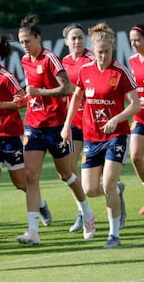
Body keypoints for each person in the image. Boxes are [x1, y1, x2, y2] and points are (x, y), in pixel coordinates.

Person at [15, 15, 95, 245]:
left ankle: (87, 213)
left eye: (28, 40)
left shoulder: (50, 58)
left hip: (56, 126)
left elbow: (67, 89)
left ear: (38, 38)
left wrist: (40, 92)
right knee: (30, 176)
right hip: (33, 126)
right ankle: (32, 231)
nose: (25, 45)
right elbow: (31, 89)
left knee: (66, 174)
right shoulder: (25, 60)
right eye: (21, 42)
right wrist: (24, 94)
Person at [61, 22, 140, 248]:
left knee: (107, 184)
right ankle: (117, 191)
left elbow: (135, 105)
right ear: (93, 51)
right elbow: (76, 97)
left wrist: (116, 119)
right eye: (99, 52)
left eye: (106, 52)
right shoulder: (85, 70)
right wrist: (67, 125)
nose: (102, 56)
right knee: (90, 189)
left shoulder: (120, 72)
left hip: (116, 136)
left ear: (112, 50)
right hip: (91, 136)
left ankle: (113, 235)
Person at [0, 33, 51, 239]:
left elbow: (23, 100)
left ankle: (41, 204)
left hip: (11, 137)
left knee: (20, 183)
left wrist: (3, 105)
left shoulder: (6, 77)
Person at [61, 23, 97, 232]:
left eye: (80, 37)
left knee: (95, 172)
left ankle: (114, 192)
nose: (77, 41)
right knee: (69, 169)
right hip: (73, 123)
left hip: (93, 122)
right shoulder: (63, 63)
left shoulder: (93, 59)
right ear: (66, 41)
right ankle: (83, 212)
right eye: (73, 38)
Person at [128, 24, 144, 215]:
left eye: (137, 39)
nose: (134, 43)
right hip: (139, 117)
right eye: (132, 40)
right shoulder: (131, 61)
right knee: (135, 156)